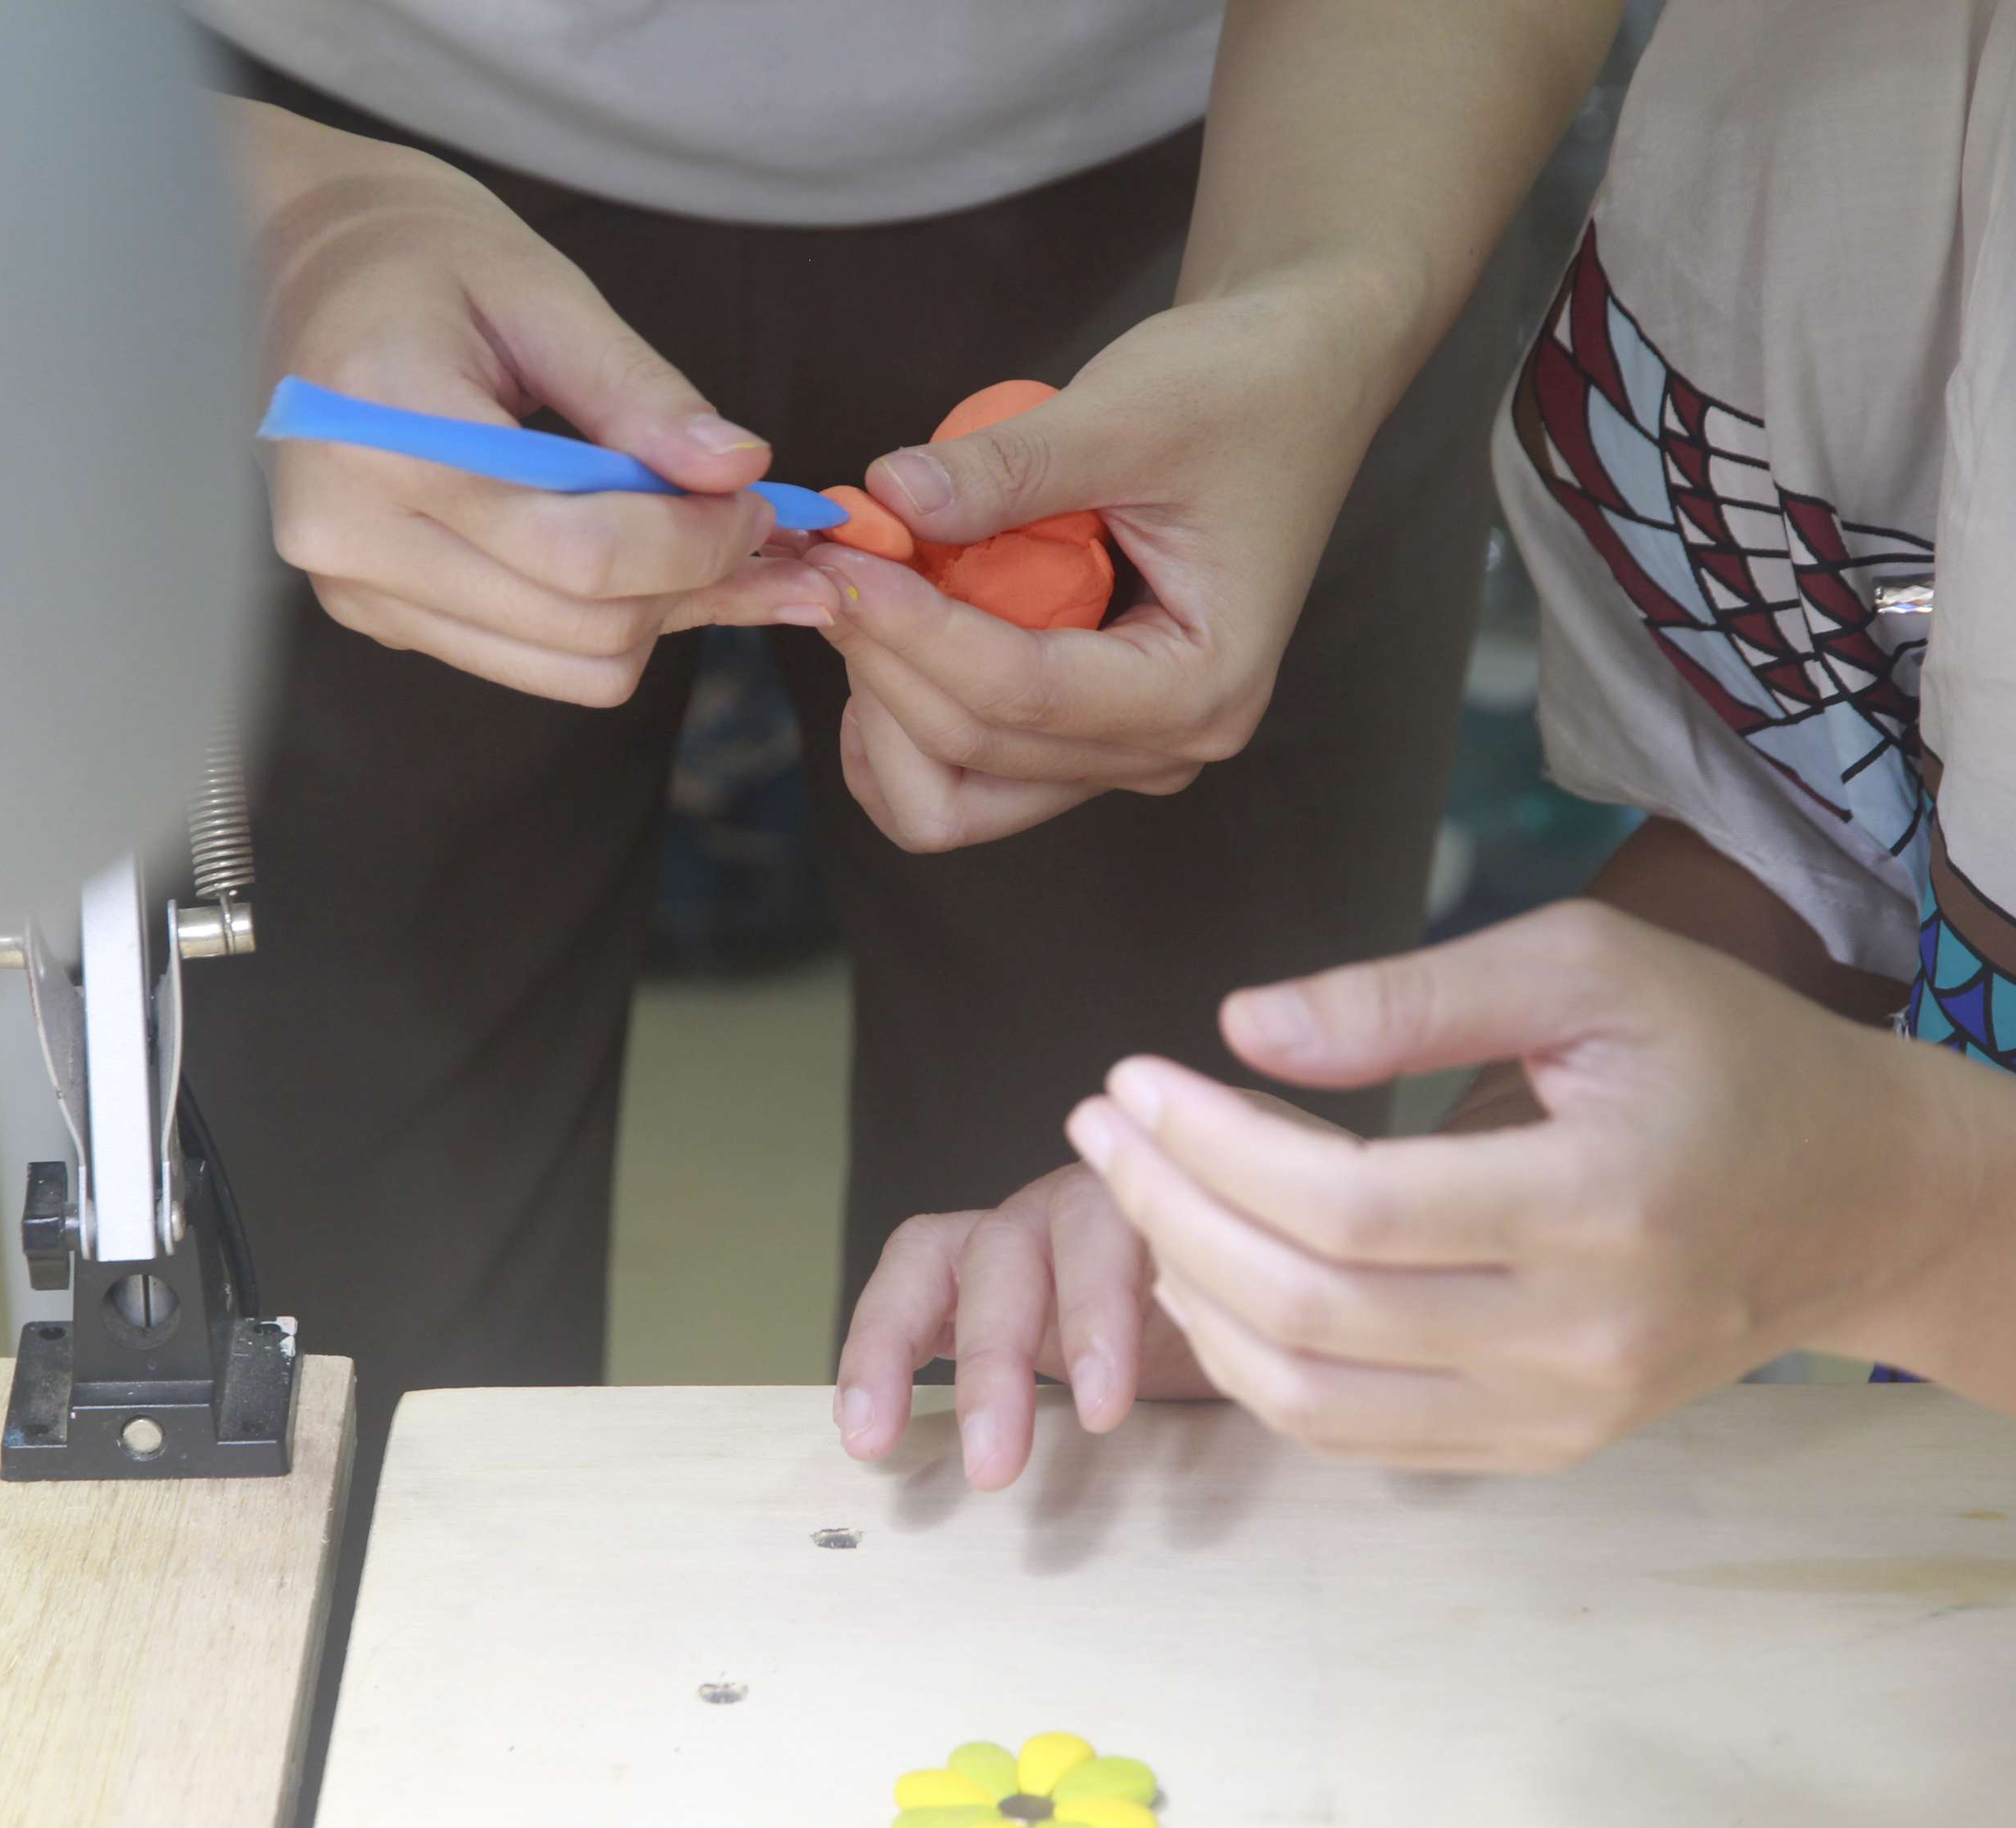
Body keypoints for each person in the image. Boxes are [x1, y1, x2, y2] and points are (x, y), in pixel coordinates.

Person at [836, 0, 2016, 1568]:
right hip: (1986, 1578)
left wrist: (1907, 1208)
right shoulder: (1859, 105)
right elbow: (1821, 843)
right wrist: (1431, 1238)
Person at [187, 3, 1624, 1495]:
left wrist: (1323, 294)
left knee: (1129, 1371)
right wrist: (281, 217)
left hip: (1280, 153)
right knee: (324, 1393)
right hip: (313, 175)